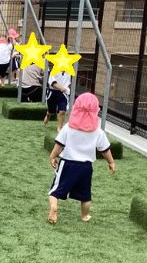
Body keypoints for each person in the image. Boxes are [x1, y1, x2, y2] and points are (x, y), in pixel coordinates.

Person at [47, 92, 116, 225]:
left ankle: (54, 206)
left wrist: (52, 156)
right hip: (86, 167)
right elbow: (105, 149)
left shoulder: (68, 128)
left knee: (55, 190)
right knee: (85, 195)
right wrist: (111, 162)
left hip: (68, 164)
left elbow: (59, 145)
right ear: (96, 111)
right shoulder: (97, 131)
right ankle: (85, 215)